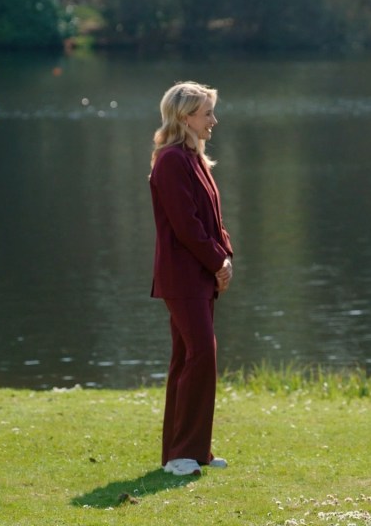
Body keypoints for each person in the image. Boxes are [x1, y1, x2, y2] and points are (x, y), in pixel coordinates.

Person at [148, 81, 234, 477]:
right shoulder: (171, 161)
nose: (213, 120)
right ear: (185, 117)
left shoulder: (194, 158)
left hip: (199, 275)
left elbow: (213, 220)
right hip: (182, 277)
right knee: (201, 355)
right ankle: (181, 453)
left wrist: (225, 257)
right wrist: (217, 262)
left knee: (189, 357)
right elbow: (186, 226)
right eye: (207, 114)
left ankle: (190, 451)